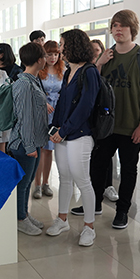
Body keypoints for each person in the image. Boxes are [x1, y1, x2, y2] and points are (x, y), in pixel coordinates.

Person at [84, 10, 140, 229]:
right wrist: (99, 64)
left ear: (132, 29)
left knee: (128, 169)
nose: (118, 29)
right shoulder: (107, 56)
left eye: (123, 25)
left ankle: (123, 210)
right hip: (106, 126)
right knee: (97, 166)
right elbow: (92, 87)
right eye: (115, 25)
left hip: (131, 126)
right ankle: (94, 203)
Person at [47, 30, 100, 246]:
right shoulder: (70, 70)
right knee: (64, 177)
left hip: (80, 135)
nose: (60, 49)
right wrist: (54, 128)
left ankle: (89, 227)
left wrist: (64, 130)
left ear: (73, 45)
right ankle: (62, 219)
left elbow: (85, 107)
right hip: (63, 134)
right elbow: (62, 103)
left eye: (62, 44)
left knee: (82, 180)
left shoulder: (89, 72)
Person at [9, 42, 49, 236]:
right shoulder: (24, 84)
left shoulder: (33, 80)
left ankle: (24, 213)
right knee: (23, 183)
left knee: (28, 180)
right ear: (39, 60)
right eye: (45, 56)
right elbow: (24, 118)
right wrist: (29, 146)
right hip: (25, 143)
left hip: (34, 141)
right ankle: (19, 219)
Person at [32, 40, 64, 199]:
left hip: (56, 112)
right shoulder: (39, 70)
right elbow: (32, 91)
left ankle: (46, 183)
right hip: (41, 112)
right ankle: (37, 185)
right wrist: (42, 102)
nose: (53, 57)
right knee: (40, 149)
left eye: (56, 54)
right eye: (49, 54)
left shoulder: (63, 70)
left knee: (49, 149)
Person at [91, 38, 119, 203]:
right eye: (92, 50)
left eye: (97, 49)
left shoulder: (108, 65)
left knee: (107, 154)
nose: (95, 53)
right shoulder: (89, 67)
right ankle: (96, 192)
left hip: (106, 116)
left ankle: (108, 186)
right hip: (92, 118)